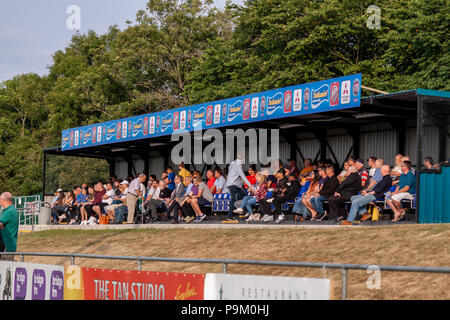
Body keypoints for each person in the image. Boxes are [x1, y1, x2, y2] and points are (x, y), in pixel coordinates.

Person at [225, 154, 254, 221]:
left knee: (244, 196)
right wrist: (250, 185)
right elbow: (243, 176)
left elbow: (233, 174)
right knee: (234, 199)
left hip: (231, 184)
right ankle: (230, 216)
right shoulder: (238, 164)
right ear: (242, 159)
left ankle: (245, 212)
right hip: (234, 184)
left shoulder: (232, 163)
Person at [0, 192, 18, 261]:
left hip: (6, 247)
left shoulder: (9, 211)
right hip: (9, 246)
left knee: (5, 269)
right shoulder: (12, 210)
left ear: (3, 200)